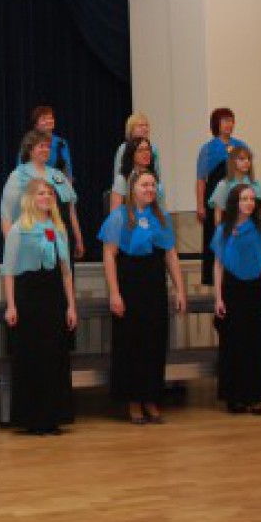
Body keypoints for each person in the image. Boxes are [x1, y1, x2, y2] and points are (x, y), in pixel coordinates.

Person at [99, 171, 187, 425]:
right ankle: (134, 402)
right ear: (132, 188)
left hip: (154, 285)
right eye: (144, 185)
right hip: (129, 284)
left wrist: (180, 289)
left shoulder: (161, 217)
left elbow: (170, 254)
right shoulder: (119, 216)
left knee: (154, 343)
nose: (150, 189)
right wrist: (114, 293)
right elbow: (109, 255)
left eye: (153, 185)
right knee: (131, 344)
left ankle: (151, 399)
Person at [2, 179, 78, 435]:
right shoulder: (19, 229)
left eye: (49, 193)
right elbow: (8, 271)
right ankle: (32, 418)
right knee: (32, 358)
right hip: (29, 299)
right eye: (41, 193)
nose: (46, 197)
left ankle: (53, 416)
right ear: (30, 198)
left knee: (54, 357)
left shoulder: (58, 228)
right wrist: (11, 305)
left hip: (54, 298)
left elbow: (66, 272)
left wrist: (71, 306)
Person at [212, 184, 261, 416]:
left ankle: (255, 397)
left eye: (252, 199)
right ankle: (234, 397)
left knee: (256, 343)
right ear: (235, 202)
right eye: (244, 198)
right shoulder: (223, 229)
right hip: (232, 288)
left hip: (257, 288)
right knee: (233, 343)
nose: (249, 203)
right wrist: (218, 298)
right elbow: (218, 265)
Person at [0, 130, 85, 259]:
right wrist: (12, 249)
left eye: (48, 147)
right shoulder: (18, 176)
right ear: (30, 149)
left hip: (60, 243)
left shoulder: (58, 175)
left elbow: (71, 210)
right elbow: (6, 215)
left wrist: (78, 239)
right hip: (30, 243)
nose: (46, 150)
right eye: (41, 146)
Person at [196, 107, 249, 286]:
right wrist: (200, 205)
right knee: (218, 238)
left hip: (238, 199)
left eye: (231, 120)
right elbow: (201, 179)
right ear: (216, 124)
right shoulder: (207, 149)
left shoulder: (241, 145)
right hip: (215, 200)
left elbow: (248, 172)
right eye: (225, 120)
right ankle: (218, 283)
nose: (229, 124)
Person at [208, 145, 261, 225]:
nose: (246, 161)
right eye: (242, 159)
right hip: (231, 228)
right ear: (232, 162)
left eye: (249, 159)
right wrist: (220, 231)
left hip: (254, 228)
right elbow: (218, 215)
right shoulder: (224, 185)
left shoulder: (257, 185)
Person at [111, 112, 162, 198]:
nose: (145, 128)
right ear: (131, 130)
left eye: (146, 125)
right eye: (140, 126)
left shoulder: (154, 149)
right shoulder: (123, 148)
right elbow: (118, 173)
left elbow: (157, 173)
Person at [110, 136, 164, 211]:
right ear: (131, 154)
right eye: (140, 150)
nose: (146, 153)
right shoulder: (122, 179)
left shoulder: (152, 176)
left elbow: (160, 206)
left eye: (148, 149)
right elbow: (115, 212)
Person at [23, 106, 74, 183]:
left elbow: (68, 172)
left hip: (57, 186)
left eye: (51, 118)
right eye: (44, 119)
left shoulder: (61, 143)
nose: (49, 121)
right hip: (33, 185)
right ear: (36, 124)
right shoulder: (29, 141)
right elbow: (21, 168)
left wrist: (67, 187)